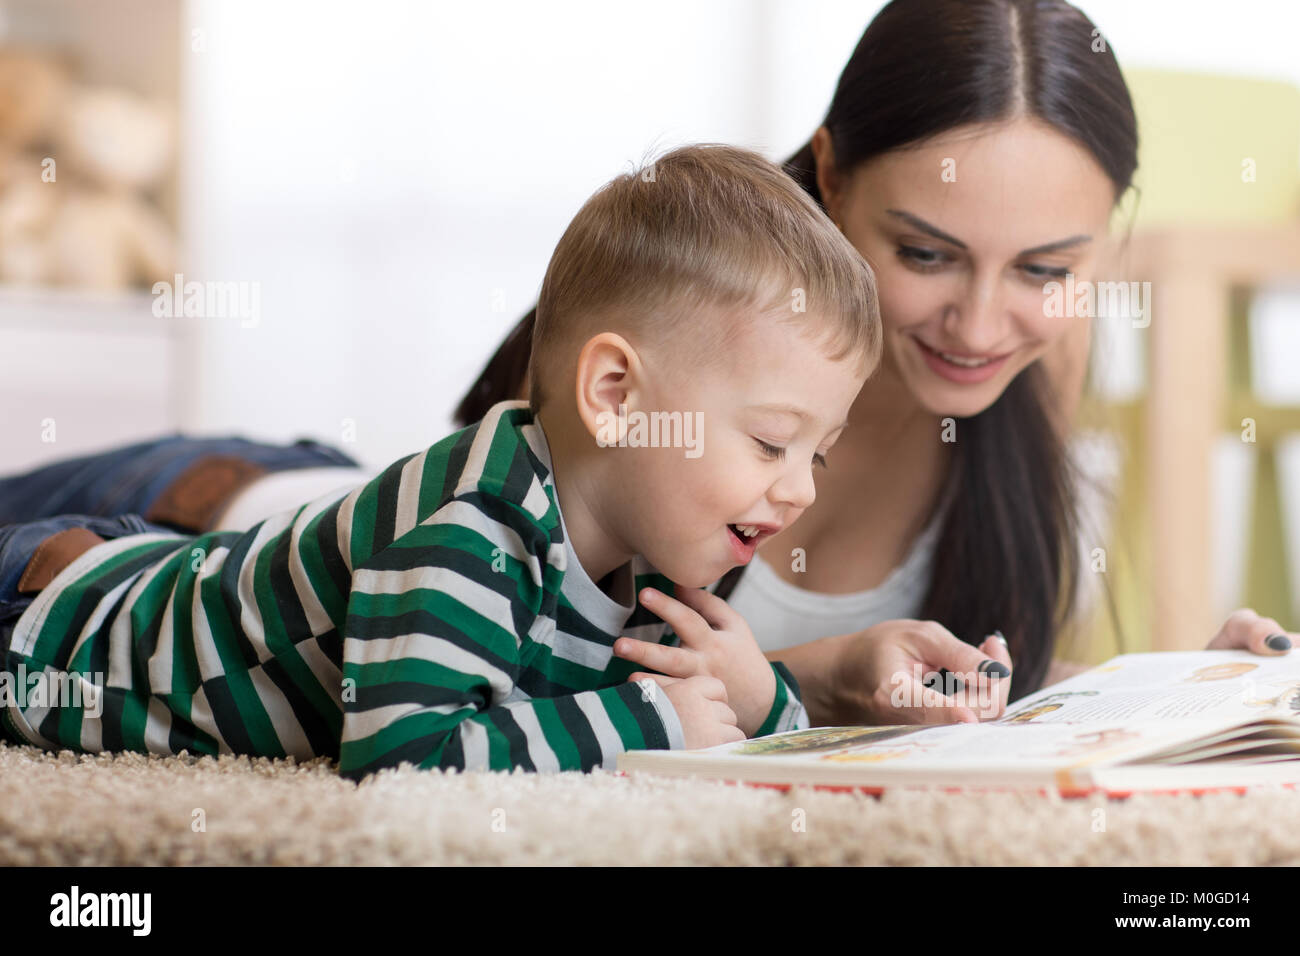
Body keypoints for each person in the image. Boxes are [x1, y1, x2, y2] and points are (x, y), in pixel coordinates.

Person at [452, 0, 1297, 721]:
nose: (979, 327)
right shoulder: (657, 348)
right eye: (927, 255)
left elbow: (1000, 686)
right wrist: (823, 676)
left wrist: (1188, 690)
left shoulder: (1048, 353)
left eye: (1044, 269)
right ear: (833, 174)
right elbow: (518, 696)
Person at [0, 144, 917, 776]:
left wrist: (763, 700)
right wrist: (649, 721)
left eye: (818, 459)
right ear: (616, 397)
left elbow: (718, 733)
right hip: (56, 625)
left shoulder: (657, 553)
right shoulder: (471, 530)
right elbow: (408, 760)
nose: (796, 491)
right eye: (769, 442)